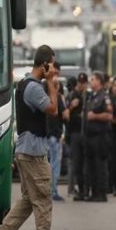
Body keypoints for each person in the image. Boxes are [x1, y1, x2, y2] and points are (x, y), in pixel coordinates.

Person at [0, 46, 66, 230]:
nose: (54, 70)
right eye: (52, 65)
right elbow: (53, 110)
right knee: (43, 203)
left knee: (29, 202)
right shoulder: (33, 88)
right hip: (33, 154)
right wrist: (51, 84)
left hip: (27, 151)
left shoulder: (24, 85)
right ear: (45, 65)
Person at [84, 72, 114, 202]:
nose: (91, 81)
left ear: (99, 82)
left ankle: (101, 193)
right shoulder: (92, 97)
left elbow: (109, 115)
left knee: (99, 166)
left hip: (100, 136)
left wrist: (95, 116)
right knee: (91, 167)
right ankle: (94, 192)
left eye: (93, 79)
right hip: (90, 137)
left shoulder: (104, 97)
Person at [46, 63, 66, 202]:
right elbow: (66, 116)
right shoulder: (58, 98)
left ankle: (46, 191)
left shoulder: (43, 98)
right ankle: (53, 191)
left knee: (45, 165)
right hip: (55, 135)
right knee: (54, 164)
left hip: (45, 136)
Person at [67, 73, 89, 200]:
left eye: (83, 83)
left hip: (84, 133)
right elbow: (65, 114)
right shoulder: (72, 95)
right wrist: (71, 106)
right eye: (80, 83)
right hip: (74, 133)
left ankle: (84, 189)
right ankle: (75, 188)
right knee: (75, 162)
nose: (81, 85)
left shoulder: (87, 95)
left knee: (84, 162)